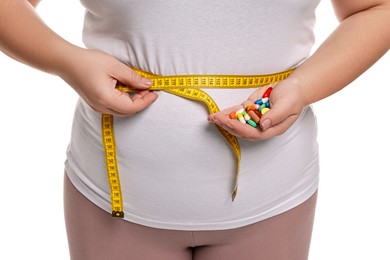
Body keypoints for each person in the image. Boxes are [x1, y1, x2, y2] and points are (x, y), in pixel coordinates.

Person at [1, 0, 389, 259]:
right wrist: (67, 61)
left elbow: (375, 8)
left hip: (274, 201)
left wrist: (303, 87)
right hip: (112, 200)